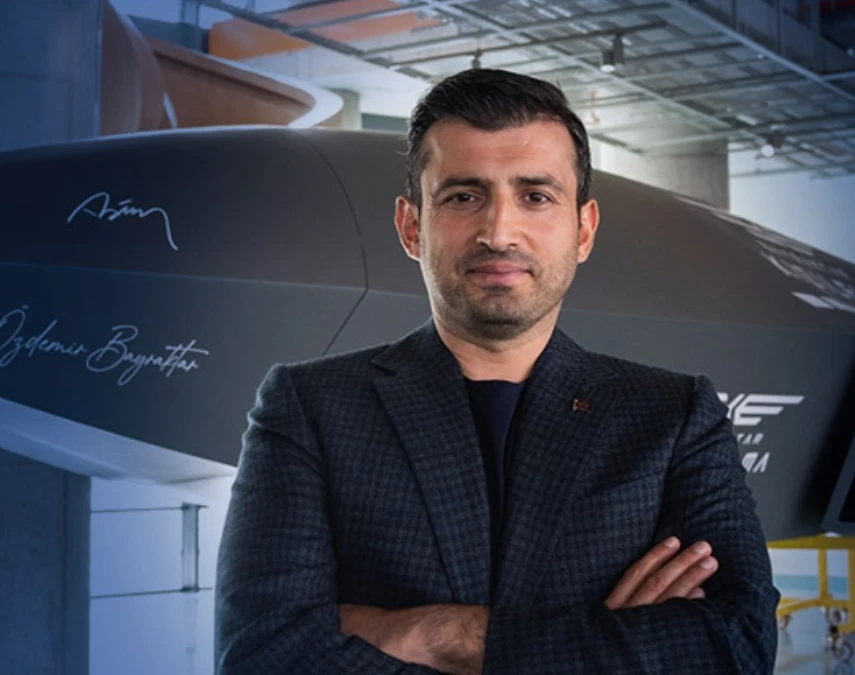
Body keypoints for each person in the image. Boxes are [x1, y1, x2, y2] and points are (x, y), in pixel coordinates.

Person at [215, 68, 779, 674]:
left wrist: (436, 634)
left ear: (584, 229)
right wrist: (606, 645)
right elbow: (262, 658)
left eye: (536, 196)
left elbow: (737, 647)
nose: (499, 232)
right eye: (464, 197)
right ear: (411, 226)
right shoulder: (310, 409)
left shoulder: (674, 418)